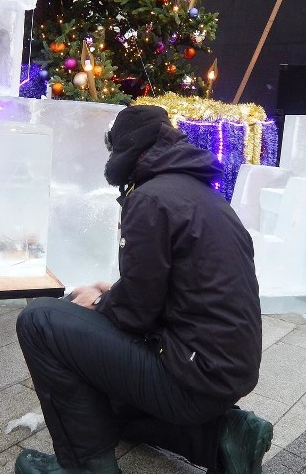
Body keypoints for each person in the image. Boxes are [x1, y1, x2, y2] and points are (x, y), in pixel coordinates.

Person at [15, 105, 272, 474]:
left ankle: (85, 466)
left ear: (126, 153)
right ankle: (226, 436)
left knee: (40, 320)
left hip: (192, 378)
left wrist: (102, 301)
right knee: (108, 408)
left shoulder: (150, 199)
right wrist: (115, 293)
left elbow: (135, 313)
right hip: (222, 373)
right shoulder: (202, 195)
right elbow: (180, 291)